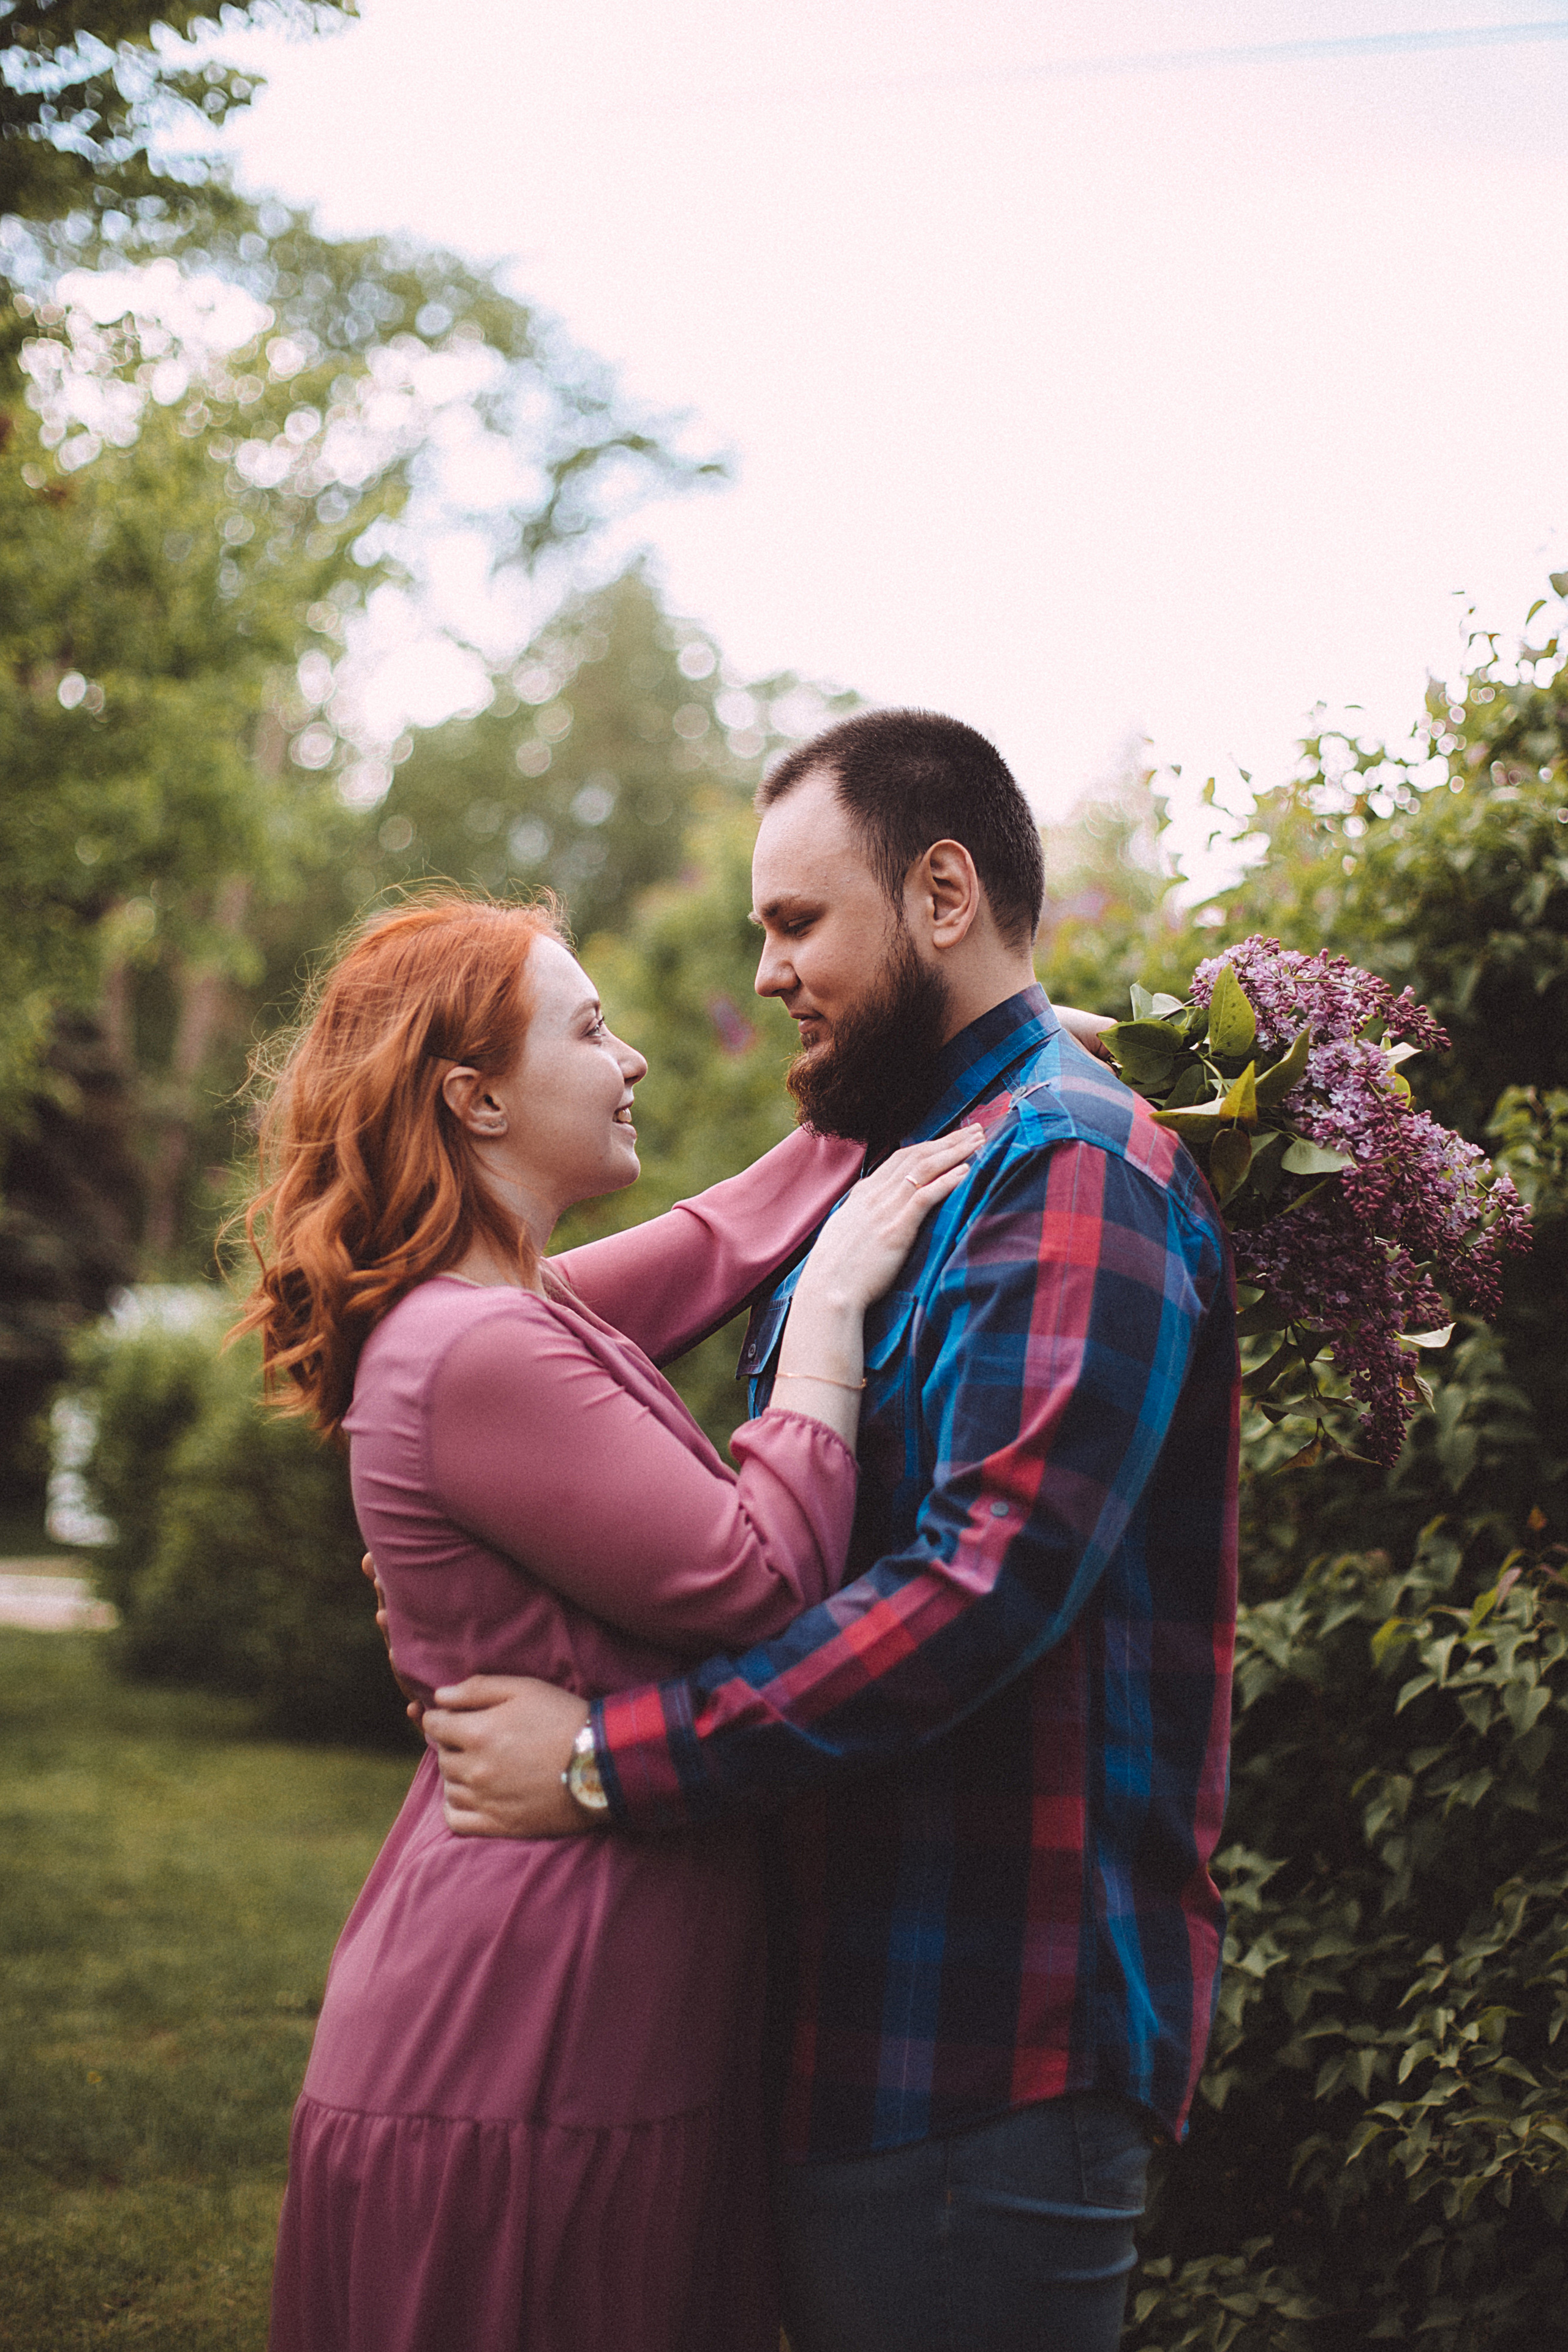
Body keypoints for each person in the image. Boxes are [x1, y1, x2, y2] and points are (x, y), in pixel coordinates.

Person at [416, 709, 1242, 2352]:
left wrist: (607, 1762)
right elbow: (512, 1339)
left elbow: (977, 1596)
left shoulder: (1068, 1169)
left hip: (980, 2043)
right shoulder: (913, 1162)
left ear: (944, 895)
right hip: (852, 2024)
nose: (773, 969)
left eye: (799, 923)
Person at [243, 888, 986, 2352]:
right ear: (474, 1098)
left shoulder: (506, 1308)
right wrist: (828, 1322)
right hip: (536, 2024)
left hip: (589, 1991)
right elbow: (758, 1577)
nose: (633, 1056)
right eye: (589, 1029)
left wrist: (966, 1063)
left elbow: (713, 1241)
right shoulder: (478, 1346)